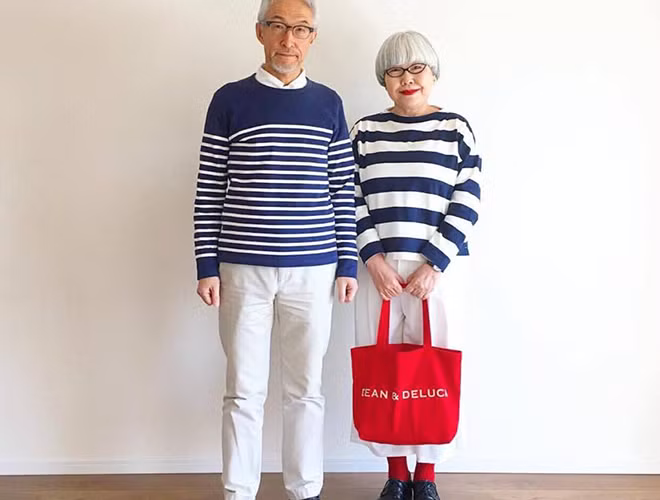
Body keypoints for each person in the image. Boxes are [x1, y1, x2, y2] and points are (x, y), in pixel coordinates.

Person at [192, 1, 358, 499]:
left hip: (315, 269)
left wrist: (347, 262)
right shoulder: (229, 100)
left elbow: (342, 188)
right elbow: (210, 187)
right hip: (242, 268)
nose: (289, 39)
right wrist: (206, 265)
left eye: (301, 29)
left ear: (313, 38)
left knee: (305, 389)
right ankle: (238, 490)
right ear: (260, 32)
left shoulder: (328, 104)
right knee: (244, 389)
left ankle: (305, 489)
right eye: (279, 26)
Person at [351, 31, 482, 500]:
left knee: (435, 369)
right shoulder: (364, 133)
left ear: (433, 73)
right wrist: (373, 259)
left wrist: (434, 264)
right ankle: (395, 474)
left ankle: (426, 475)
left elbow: (468, 198)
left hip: (438, 270)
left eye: (416, 68)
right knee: (382, 368)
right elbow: (349, 197)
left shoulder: (456, 129)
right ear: (383, 79)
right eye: (394, 70)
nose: (406, 78)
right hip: (380, 270)